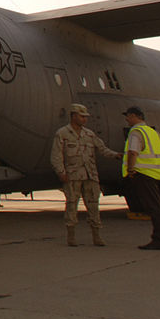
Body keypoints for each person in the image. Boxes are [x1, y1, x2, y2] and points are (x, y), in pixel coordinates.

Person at [50, 103, 121, 247]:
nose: (84, 120)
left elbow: (102, 149)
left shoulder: (89, 134)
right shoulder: (62, 134)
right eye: (82, 117)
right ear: (73, 116)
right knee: (71, 205)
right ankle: (71, 236)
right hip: (73, 176)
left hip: (90, 175)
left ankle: (97, 236)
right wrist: (61, 172)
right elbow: (56, 155)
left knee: (94, 205)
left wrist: (116, 155)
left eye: (85, 117)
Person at [122, 105, 160, 250]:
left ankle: (159, 240)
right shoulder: (152, 132)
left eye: (128, 116)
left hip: (145, 175)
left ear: (134, 116)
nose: (126, 119)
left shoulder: (136, 132)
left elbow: (133, 152)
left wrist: (131, 169)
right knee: (158, 207)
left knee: (153, 208)